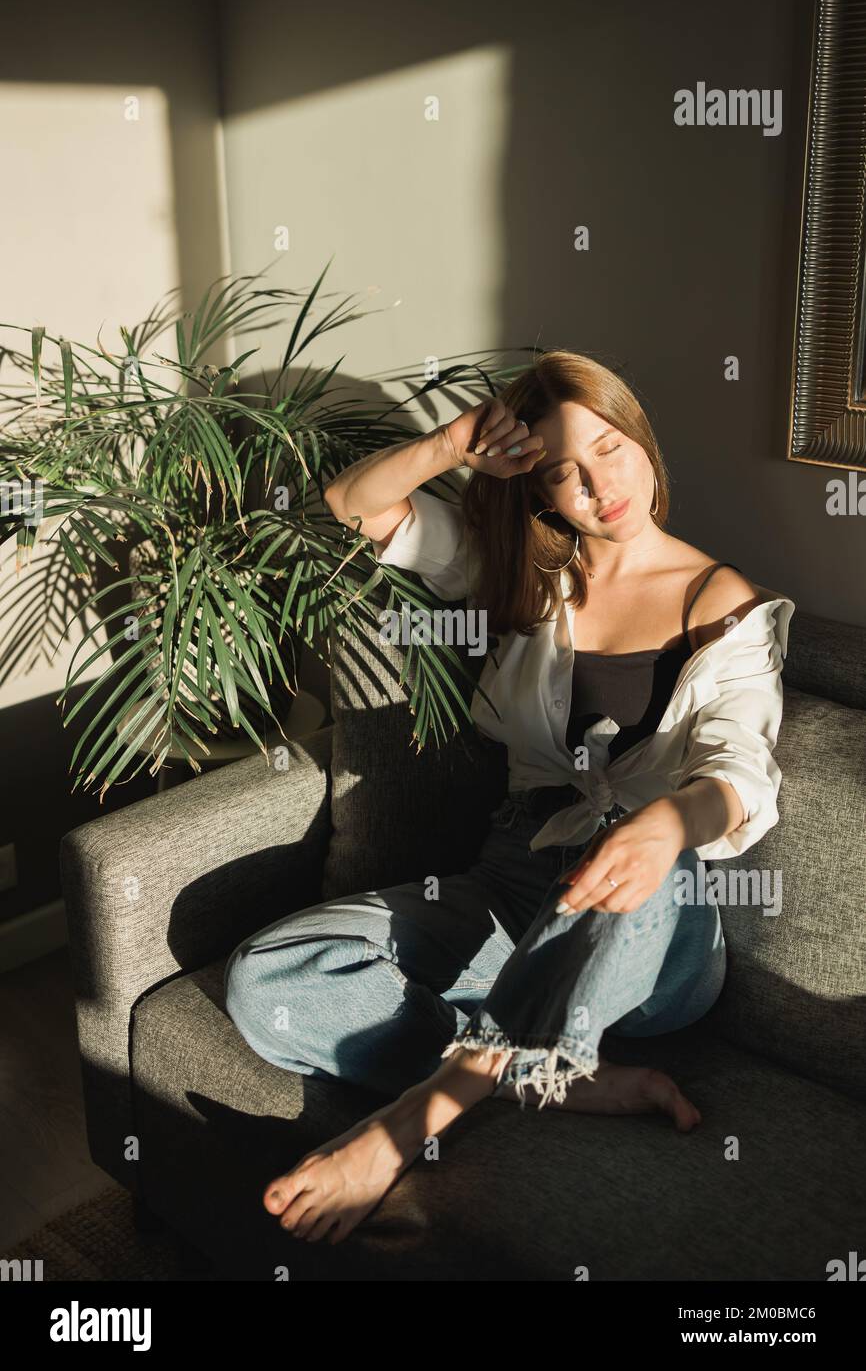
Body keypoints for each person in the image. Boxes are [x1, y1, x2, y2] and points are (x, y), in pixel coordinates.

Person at [224, 349, 795, 1248]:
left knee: (645, 852)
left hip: (653, 937)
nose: (599, 486)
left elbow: (741, 768)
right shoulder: (527, 573)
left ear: (642, 439)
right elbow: (354, 506)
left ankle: (409, 1124)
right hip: (510, 891)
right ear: (536, 488)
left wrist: (664, 825)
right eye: (564, 472)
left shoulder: (720, 602)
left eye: (610, 448)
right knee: (267, 982)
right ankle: (551, 1071)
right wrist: (456, 440)